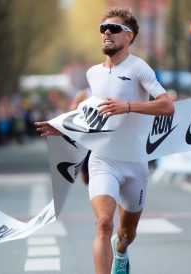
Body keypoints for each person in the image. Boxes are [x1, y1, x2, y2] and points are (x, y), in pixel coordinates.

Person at [35, 7, 174, 274]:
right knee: (103, 224)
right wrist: (64, 128)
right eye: (103, 29)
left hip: (135, 162)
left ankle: (120, 252)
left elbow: (167, 106)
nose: (107, 33)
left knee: (126, 233)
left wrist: (129, 106)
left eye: (114, 29)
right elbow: (89, 114)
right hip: (102, 160)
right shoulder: (92, 74)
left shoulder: (139, 68)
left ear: (129, 36)